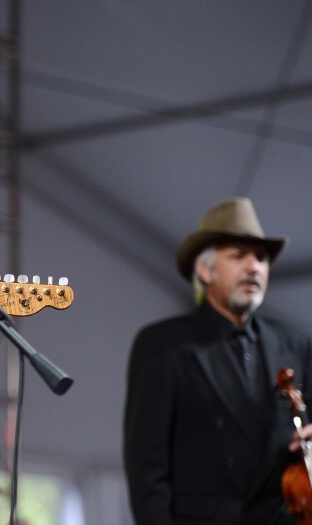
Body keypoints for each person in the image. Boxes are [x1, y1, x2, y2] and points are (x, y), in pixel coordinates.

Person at [123, 196, 312, 524]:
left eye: (262, 259)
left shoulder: (294, 343)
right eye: (238, 256)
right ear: (205, 270)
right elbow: (147, 472)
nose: (253, 266)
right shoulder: (163, 345)